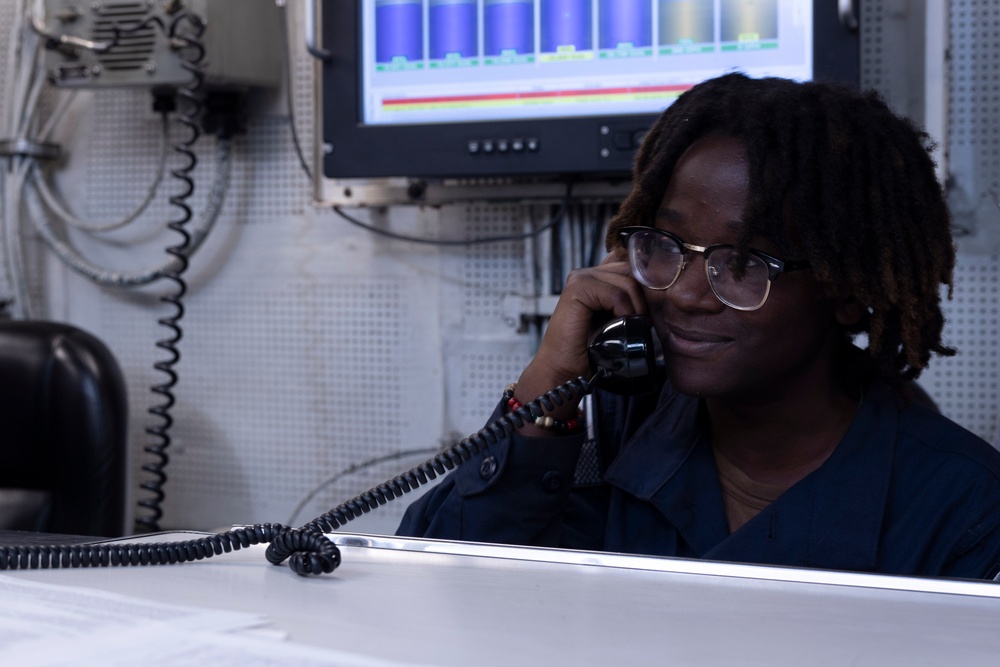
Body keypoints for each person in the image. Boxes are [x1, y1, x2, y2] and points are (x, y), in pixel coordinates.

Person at [397, 72, 1000, 580]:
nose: (683, 293)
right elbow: (442, 582)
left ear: (846, 291)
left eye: (740, 264)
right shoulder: (606, 431)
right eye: (666, 245)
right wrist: (547, 384)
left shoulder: (966, 507)